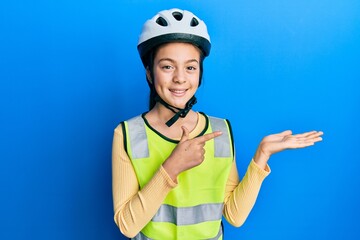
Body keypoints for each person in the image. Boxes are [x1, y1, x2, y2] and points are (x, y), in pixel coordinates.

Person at [112, 8, 323, 239]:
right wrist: (172, 167)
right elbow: (127, 226)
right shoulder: (127, 134)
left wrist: (262, 156)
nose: (180, 78)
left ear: (200, 73)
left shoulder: (220, 131)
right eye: (167, 66)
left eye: (190, 67)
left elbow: (234, 215)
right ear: (150, 74)